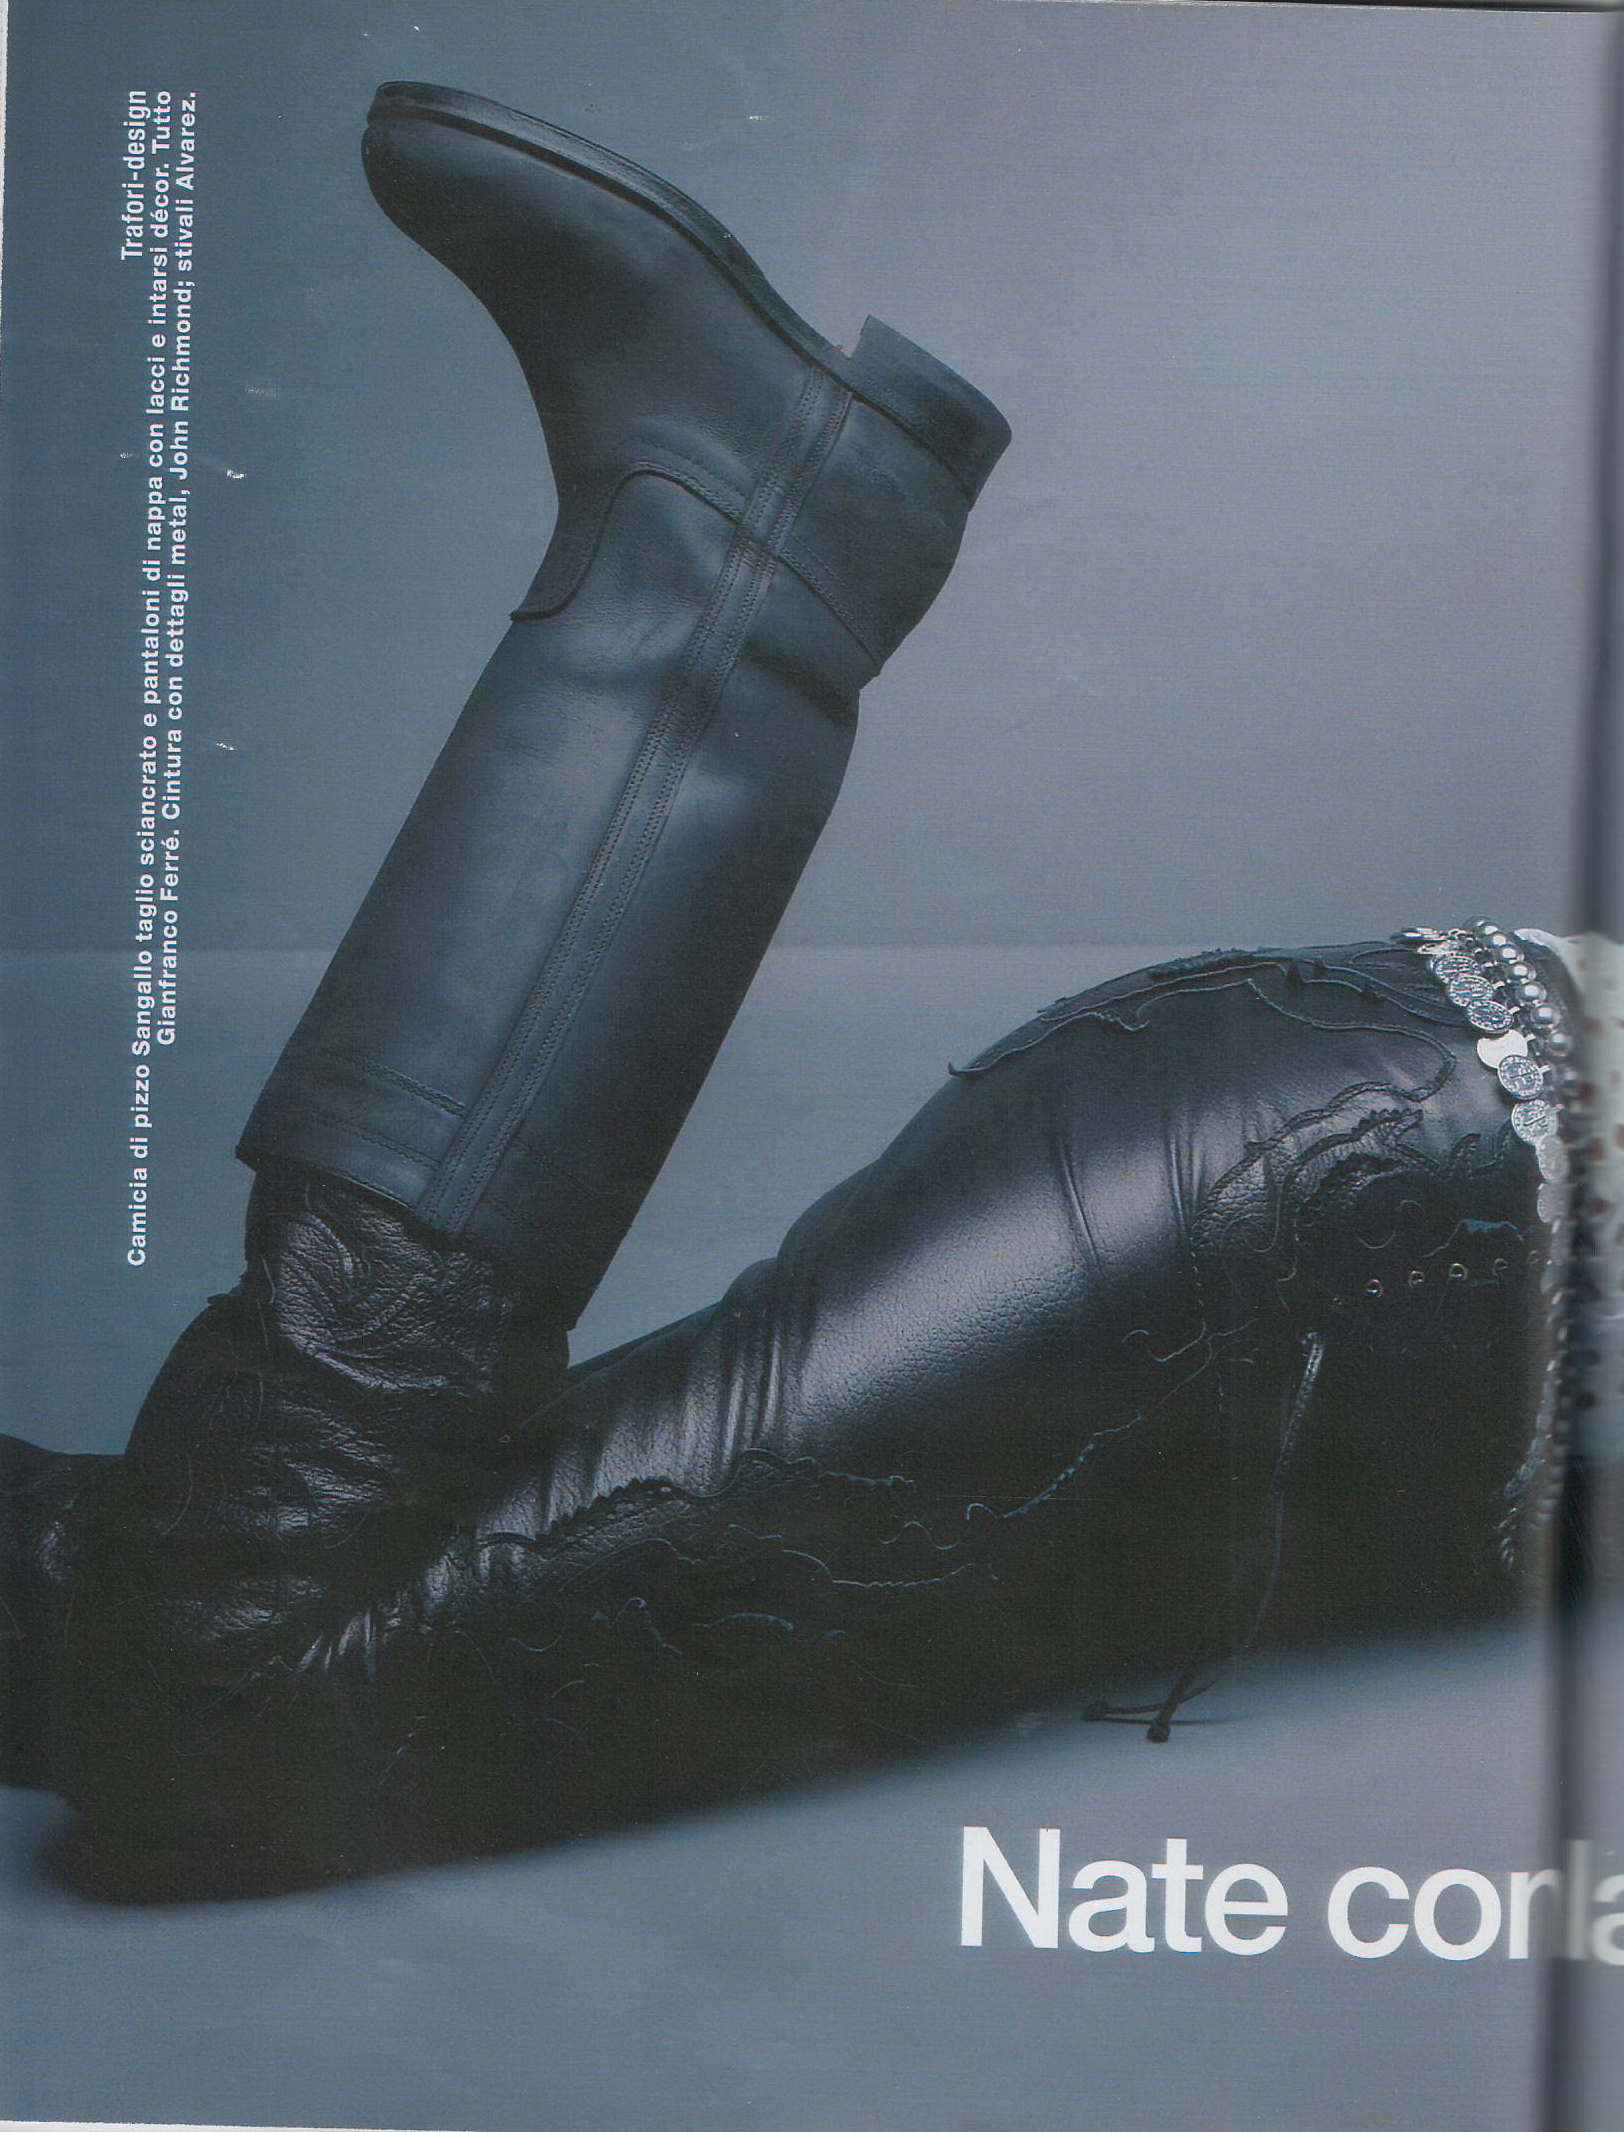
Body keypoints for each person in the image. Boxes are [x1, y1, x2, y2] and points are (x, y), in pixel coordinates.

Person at [0, 85, 1576, 1901]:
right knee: (223, 1689)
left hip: (1360, 1198)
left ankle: (741, 540)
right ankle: (735, 554)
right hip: (1385, 1177)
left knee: (198, 1609)